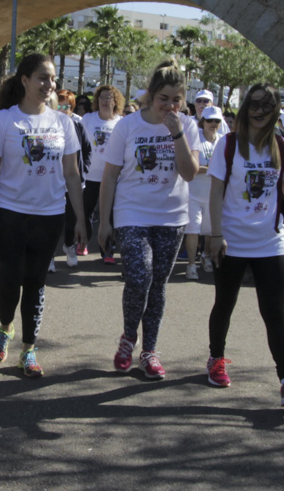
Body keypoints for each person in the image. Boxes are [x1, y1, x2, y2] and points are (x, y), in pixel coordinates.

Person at [205, 83, 284, 407]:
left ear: (274, 113)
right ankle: (216, 359)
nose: (259, 111)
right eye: (254, 105)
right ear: (246, 108)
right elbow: (215, 193)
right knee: (224, 304)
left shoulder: (281, 147)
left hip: (270, 243)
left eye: (266, 107)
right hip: (231, 240)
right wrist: (215, 235)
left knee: (274, 311)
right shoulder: (228, 146)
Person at [0, 53, 86, 378]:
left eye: (52, 79)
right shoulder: (4, 120)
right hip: (9, 214)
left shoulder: (63, 122)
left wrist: (81, 218)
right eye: (42, 77)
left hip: (49, 216)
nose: (49, 84)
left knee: (36, 283)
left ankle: (29, 349)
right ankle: (6, 326)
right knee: (10, 281)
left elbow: (71, 174)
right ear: (25, 81)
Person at [100, 60, 202, 380]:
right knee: (140, 276)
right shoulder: (127, 126)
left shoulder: (188, 125)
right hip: (132, 212)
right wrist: (104, 221)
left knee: (157, 284)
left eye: (176, 99)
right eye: (163, 99)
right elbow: (110, 175)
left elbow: (189, 173)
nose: (170, 106)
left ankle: (149, 352)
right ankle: (130, 336)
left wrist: (177, 133)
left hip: (172, 217)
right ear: (150, 97)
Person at [80, 84, 124, 265]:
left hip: (112, 178)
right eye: (101, 98)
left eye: (108, 98)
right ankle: (84, 242)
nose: (105, 101)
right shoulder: (88, 119)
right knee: (86, 212)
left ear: (115, 102)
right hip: (90, 175)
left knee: (110, 215)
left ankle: (108, 251)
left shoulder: (121, 122)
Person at [184, 105, 223, 278]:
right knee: (193, 229)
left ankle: (206, 257)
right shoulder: (195, 139)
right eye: (209, 120)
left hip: (213, 194)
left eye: (216, 121)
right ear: (202, 121)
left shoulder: (223, 141)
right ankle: (191, 264)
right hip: (193, 192)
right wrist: (208, 169)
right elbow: (190, 165)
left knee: (208, 230)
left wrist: (209, 169)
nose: (213, 124)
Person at [56, 88, 91, 267]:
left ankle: (69, 245)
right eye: (60, 104)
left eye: (67, 105)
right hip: (53, 180)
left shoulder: (77, 124)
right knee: (53, 219)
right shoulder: (50, 124)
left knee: (71, 218)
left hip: (74, 180)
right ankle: (49, 258)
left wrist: (82, 169)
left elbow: (87, 149)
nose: (63, 108)